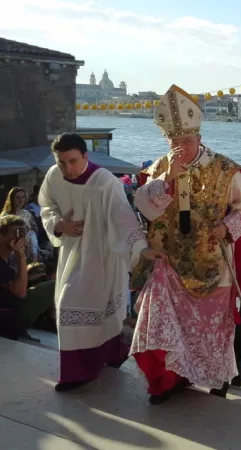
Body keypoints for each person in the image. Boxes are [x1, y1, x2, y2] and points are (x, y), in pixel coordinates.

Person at [130, 85, 241, 404]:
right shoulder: (159, 169)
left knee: (211, 331)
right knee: (172, 328)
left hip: (213, 263)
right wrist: (169, 179)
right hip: (170, 265)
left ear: (199, 138)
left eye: (186, 141)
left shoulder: (224, 169)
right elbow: (145, 207)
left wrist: (227, 226)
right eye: (174, 142)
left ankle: (218, 377)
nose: (181, 148)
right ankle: (171, 378)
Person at [39, 133, 164, 391]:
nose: (67, 169)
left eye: (73, 161)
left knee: (100, 312)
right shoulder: (53, 176)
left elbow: (123, 217)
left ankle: (107, 358)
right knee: (67, 309)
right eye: (62, 162)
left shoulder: (105, 182)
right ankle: (77, 372)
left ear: (86, 156)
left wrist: (141, 249)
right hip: (72, 253)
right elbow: (47, 206)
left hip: (103, 256)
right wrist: (58, 224)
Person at [0, 215, 54, 341]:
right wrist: (21, 257)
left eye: (23, 233)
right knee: (51, 285)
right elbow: (20, 293)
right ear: (1, 237)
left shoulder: (5, 261)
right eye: (17, 233)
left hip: (8, 311)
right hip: (7, 316)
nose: (21, 238)